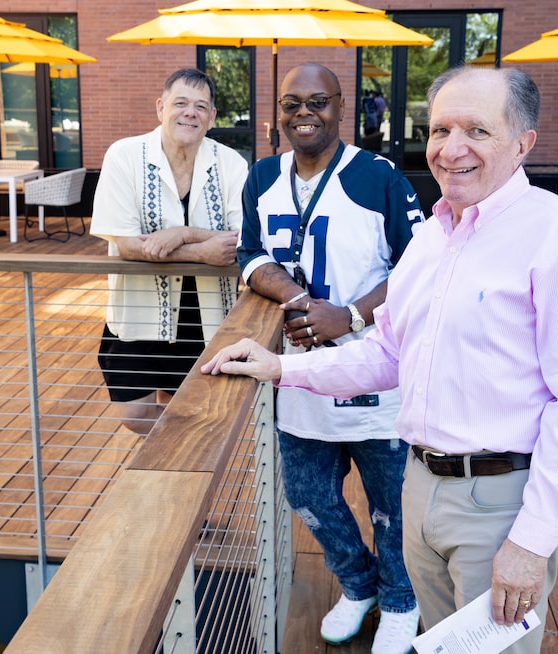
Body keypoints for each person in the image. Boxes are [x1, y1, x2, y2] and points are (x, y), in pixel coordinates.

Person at [203, 66, 558, 654]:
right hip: (420, 484)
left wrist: (531, 542)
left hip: (498, 500)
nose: (452, 150)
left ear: (523, 143)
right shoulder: (434, 237)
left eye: (478, 130)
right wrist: (281, 368)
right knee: (441, 642)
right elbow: (389, 352)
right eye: (440, 130)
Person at [237, 62, 425, 654]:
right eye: (292, 103)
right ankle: (360, 585)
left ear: (342, 107)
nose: (304, 113)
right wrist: (295, 298)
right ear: (279, 113)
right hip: (300, 378)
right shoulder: (262, 176)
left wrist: (351, 315)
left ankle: (401, 600)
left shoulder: (379, 176)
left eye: (317, 101)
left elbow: (420, 267)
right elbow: (248, 252)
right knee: (310, 497)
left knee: (390, 505)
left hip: (376, 375)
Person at [90, 68, 249, 434]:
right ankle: (177, 445)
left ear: (211, 117)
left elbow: (239, 238)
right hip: (140, 314)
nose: (189, 112)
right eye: (180, 103)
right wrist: (200, 252)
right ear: (161, 107)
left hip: (206, 318)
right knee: (135, 416)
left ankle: (177, 472)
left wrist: (180, 234)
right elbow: (127, 243)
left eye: (200, 106)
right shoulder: (124, 156)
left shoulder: (231, 164)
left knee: (199, 408)